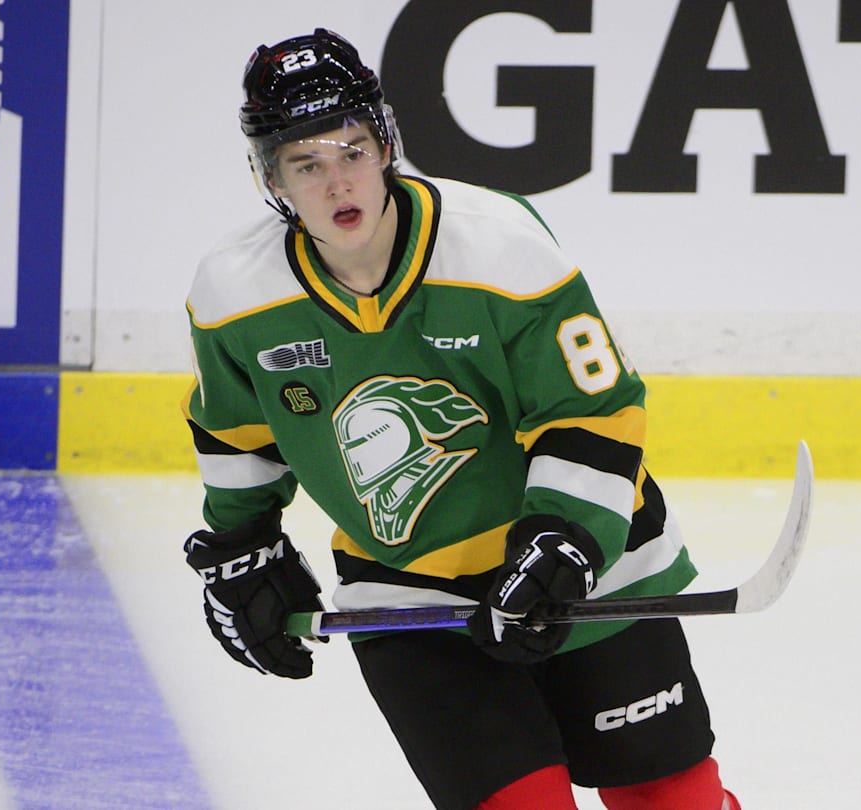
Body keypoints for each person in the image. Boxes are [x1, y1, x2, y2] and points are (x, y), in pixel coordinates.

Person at [180, 28, 741, 810]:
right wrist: (243, 547)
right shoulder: (234, 292)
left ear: (385, 143)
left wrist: (567, 543)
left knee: (671, 803)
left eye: (351, 151)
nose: (338, 183)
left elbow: (592, 406)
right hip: (412, 601)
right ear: (268, 178)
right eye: (306, 164)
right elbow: (239, 432)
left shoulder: (498, 246)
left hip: (590, 573)